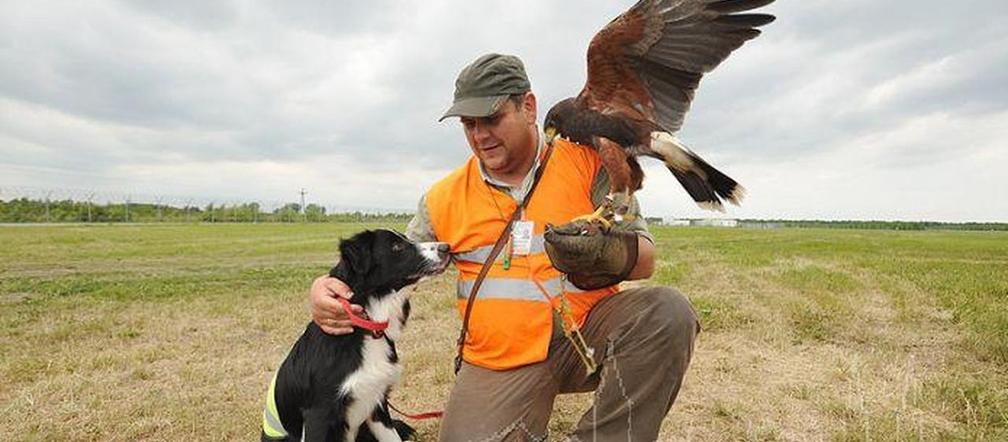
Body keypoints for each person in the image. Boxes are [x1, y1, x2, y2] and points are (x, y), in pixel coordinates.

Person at [310, 53, 700, 442]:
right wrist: (325, 288)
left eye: (492, 119)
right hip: (500, 359)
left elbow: (645, 260)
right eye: (469, 124)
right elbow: (387, 263)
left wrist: (605, 252)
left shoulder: (588, 162)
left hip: (585, 337)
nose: (480, 135)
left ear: (528, 107)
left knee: (667, 312)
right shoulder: (444, 198)